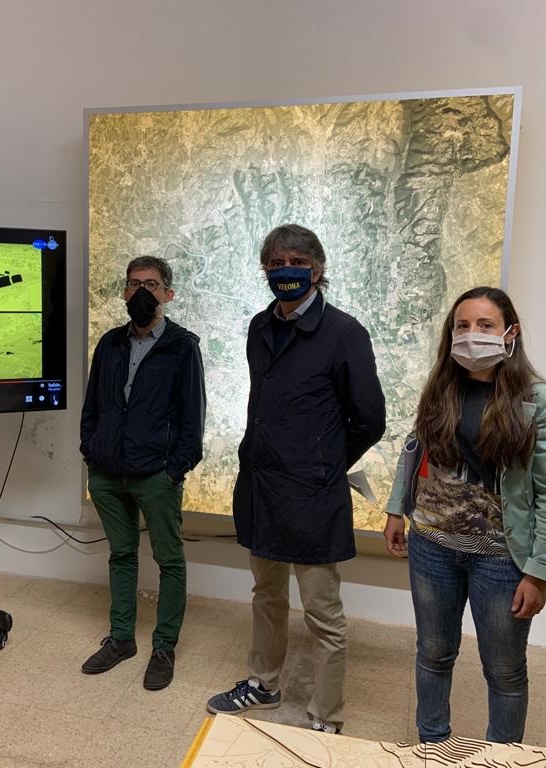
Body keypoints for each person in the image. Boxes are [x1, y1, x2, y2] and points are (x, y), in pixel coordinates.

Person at [207, 224, 386, 734]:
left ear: (318, 269)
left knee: (322, 613)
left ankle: (326, 714)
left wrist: (323, 461)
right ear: (264, 269)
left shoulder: (345, 333)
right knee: (266, 594)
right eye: (276, 262)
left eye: (297, 262)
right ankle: (264, 684)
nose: (286, 270)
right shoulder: (259, 327)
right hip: (262, 487)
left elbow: (370, 419)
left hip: (312, 494)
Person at [382, 286, 546, 744]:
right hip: (432, 545)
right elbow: (415, 448)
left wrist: (538, 570)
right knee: (433, 654)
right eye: (462, 325)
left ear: (510, 333)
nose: (472, 334)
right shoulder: (441, 385)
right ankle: (432, 745)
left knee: (504, 671)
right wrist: (396, 508)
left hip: (501, 558)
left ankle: (500, 757)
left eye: (485, 325)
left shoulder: (537, 398)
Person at [79, 255, 206, 691]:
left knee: (169, 561)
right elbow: (92, 406)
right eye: (134, 284)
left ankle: (164, 647)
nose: (141, 292)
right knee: (121, 555)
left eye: (151, 284)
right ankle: (121, 640)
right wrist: (90, 449)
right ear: (124, 292)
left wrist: (175, 470)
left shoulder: (182, 347)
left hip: (156, 475)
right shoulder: (109, 344)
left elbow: (193, 419)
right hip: (107, 473)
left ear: (168, 294)